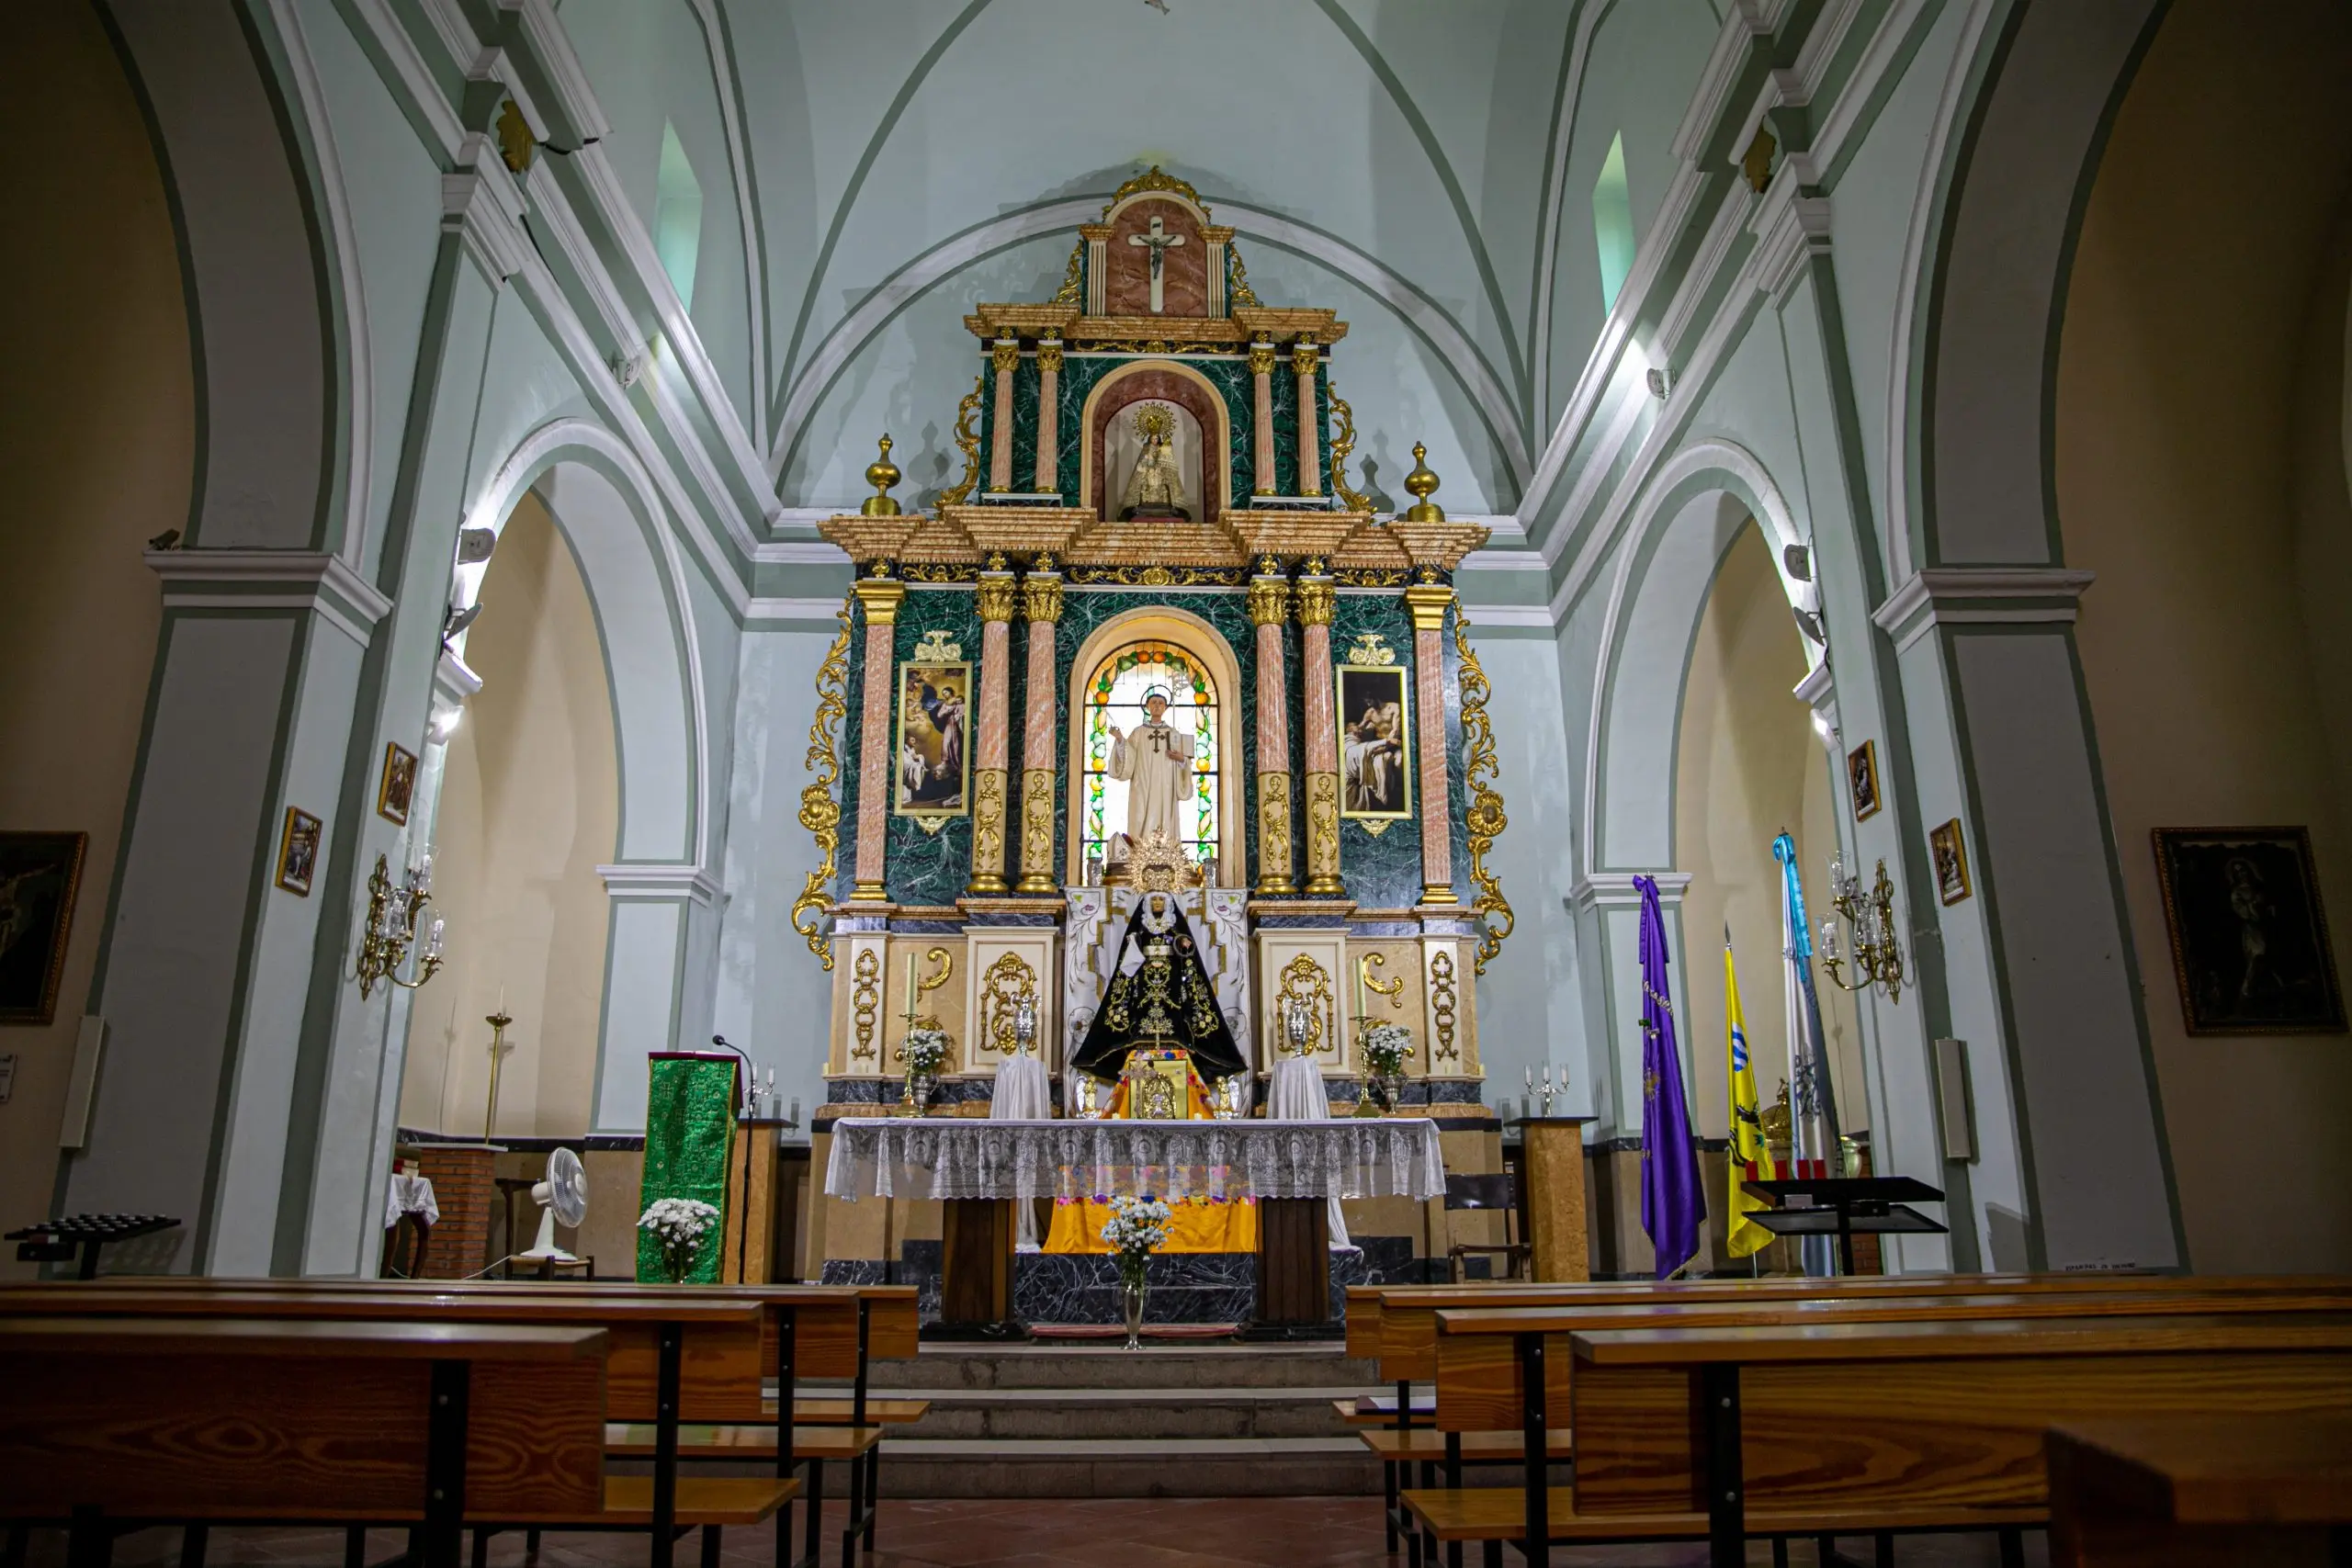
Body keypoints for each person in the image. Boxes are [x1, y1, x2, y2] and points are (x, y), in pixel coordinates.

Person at [1107, 688, 1193, 852]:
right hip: (1142, 784)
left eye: (1161, 703)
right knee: (1140, 817)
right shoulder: (1138, 733)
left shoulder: (1173, 734)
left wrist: (1181, 760)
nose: (1157, 706)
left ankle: (1166, 853)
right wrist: (1119, 739)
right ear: (1147, 706)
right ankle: (1140, 854)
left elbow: (1184, 761)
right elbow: (1128, 758)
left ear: (1166, 708)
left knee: (1164, 817)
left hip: (1165, 787)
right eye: (1153, 702)